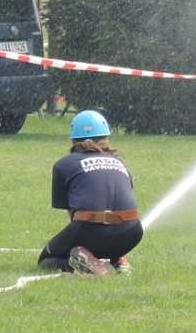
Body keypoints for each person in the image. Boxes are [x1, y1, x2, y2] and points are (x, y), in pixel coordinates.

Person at [38, 109, 143, 276]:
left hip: (90, 230)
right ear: (105, 137)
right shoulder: (120, 162)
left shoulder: (64, 164)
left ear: (74, 138)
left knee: (46, 260)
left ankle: (92, 266)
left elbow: (72, 214)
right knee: (111, 227)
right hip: (132, 234)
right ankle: (120, 260)